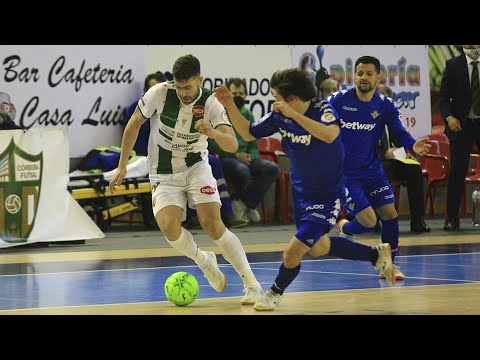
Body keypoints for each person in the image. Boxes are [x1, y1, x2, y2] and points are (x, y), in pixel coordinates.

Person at [214, 68, 396, 312]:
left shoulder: (323, 110)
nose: (275, 103)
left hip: (328, 194)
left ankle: (273, 293)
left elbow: (331, 135)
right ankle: (376, 255)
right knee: (319, 247)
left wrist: (293, 115)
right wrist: (229, 105)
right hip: (301, 193)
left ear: (291, 98)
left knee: (292, 253)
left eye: (278, 97)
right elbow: (248, 131)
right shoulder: (280, 115)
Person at [109, 54, 262, 304]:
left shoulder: (211, 102)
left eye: (188, 87)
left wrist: (212, 132)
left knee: (211, 224)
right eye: (179, 88)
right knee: (169, 227)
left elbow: (233, 144)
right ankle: (204, 260)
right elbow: (134, 123)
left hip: (195, 166)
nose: (184, 93)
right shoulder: (159, 92)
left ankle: (252, 284)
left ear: (200, 80)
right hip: (163, 170)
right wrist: (122, 165)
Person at [329, 56, 430, 282]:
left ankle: (389, 265)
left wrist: (412, 145)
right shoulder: (337, 100)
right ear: (354, 75)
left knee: (390, 214)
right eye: (359, 73)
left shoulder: (385, 104)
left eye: (368, 74)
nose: (363, 78)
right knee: (368, 222)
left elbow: (399, 131)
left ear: (378, 77)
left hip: (372, 169)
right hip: (345, 173)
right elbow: (319, 124)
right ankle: (346, 229)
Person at [209, 77, 280, 224]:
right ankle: (246, 206)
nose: (238, 97)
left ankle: (244, 204)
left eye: (241, 94)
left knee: (272, 169)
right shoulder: (217, 112)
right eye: (234, 93)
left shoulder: (247, 113)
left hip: (246, 158)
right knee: (242, 170)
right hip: (225, 157)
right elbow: (213, 142)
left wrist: (251, 156)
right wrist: (235, 154)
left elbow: (253, 142)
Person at [377, 84, 430, 233]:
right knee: (381, 170)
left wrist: (407, 152)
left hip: (392, 161)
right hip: (373, 162)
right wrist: (384, 153)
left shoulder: (392, 119)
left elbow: (401, 138)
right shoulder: (364, 119)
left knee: (414, 168)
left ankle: (417, 220)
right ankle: (378, 220)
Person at [439, 45, 480, 230]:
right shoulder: (453, 65)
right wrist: (449, 117)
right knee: (457, 170)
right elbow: (443, 98)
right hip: (462, 125)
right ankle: (452, 217)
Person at [122, 72, 167, 156]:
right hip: (140, 156)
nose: (156, 92)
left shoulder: (169, 109)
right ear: (146, 90)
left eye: (160, 89)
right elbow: (127, 134)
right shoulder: (135, 108)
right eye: (153, 89)